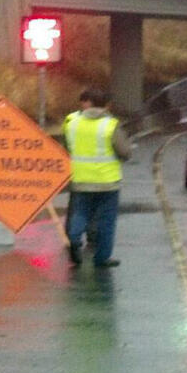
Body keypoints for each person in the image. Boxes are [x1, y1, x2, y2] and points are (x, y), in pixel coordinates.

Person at [62, 88, 130, 268]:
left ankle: (74, 238)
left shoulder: (72, 123)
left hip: (81, 179)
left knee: (80, 213)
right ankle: (102, 258)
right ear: (106, 105)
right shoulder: (111, 125)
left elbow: (68, 146)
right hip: (107, 182)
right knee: (106, 220)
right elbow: (125, 151)